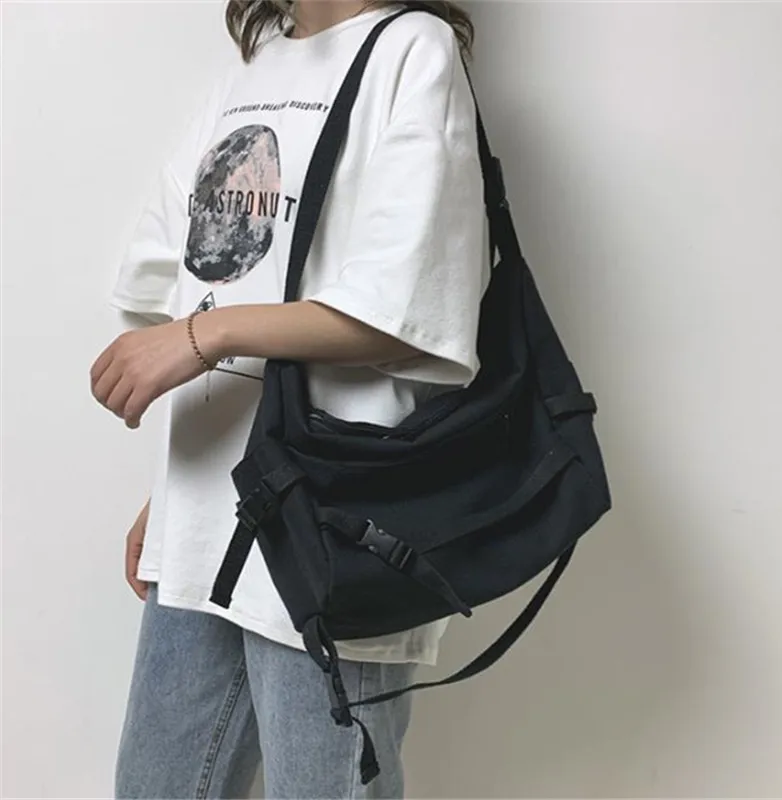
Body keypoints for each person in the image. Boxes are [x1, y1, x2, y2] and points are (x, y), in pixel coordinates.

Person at [91, 1, 489, 797]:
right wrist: (175, 491)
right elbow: (204, 271)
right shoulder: (254, 66)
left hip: (335, 529)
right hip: (209, 518)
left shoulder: (411, 50)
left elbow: (406, 311)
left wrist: (201, 336)